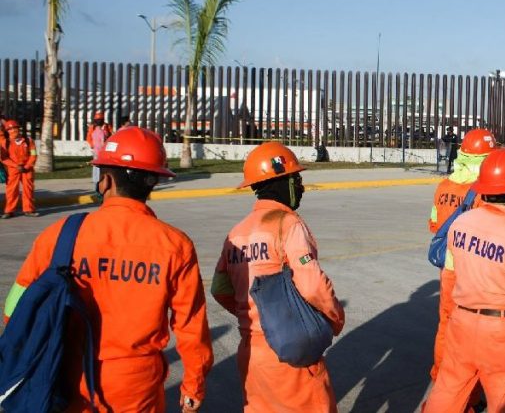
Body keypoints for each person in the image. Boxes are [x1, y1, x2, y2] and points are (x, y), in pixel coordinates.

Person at [3, 126, 213, 411]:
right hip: (138, 387)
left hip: (67, 377)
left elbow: (15, 309)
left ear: (105, 181)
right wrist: (193, 385)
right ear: (154, 182)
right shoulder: (175, 244)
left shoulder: (61, 234)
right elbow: (190, 326)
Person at [211, 141, 345, 411]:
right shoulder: (287, 224)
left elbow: (220, 289)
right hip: (290, 351)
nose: (301, 186)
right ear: (280, 181)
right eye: (296, 178)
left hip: (251, 354)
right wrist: (334, 319)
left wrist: (250, 316)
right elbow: (312, 284)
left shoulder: (236, 234)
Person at [423, 150, 505, 411]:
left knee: (448, 392)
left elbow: (452, 272)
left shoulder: (461, 225)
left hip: (461, 322)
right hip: (501, 333)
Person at [427, 128, 496, 380]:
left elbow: (434, 225)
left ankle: (440, 373)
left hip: (447, 268)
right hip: (473, 272)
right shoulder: (482, 191)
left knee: (446, 323)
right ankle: (465, 387)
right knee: (472, 330)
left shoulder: (443, 185)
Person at [2, 120, 38, 218]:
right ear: (7, 131)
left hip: (27, 169)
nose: (13, 130)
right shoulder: (5, 143)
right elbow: (4, 158)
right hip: (13, 169)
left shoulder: (28, 140)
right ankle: (9, 211)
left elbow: (33, 155)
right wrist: (15, 166)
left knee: (28, 189)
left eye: (15, 128)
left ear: (19, 128)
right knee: (11, 190)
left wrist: (27, 166)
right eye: (10, 129)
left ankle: (29, 210)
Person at [90, 112, 110, 186]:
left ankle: (95, 186)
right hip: (101, 154)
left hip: (95, 153)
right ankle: (99, 187)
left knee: (95, 170)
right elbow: (103, 143)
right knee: (101, 171)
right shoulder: (103, 132)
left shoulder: (94, 132)